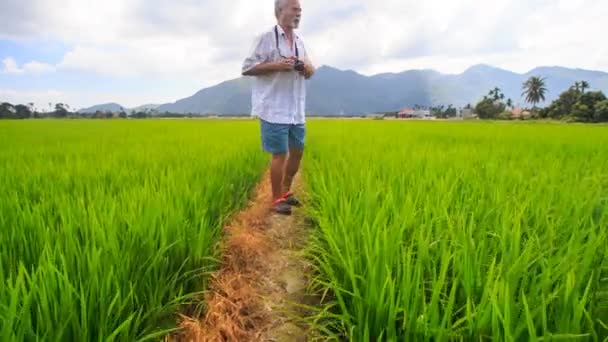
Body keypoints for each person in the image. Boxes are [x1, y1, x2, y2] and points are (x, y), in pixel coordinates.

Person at [241, 0, 315, 215]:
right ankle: (276, 200)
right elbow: (247, 68)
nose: (299, 13)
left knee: (297, 152)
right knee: (279, 155)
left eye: (300, 10)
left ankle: (285, 191)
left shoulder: (300, 42)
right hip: (273, 108)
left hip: (295, 109)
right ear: (280, 11)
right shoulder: (265, 38)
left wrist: (306, 68)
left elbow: (310, 71)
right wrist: (277, 65)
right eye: (295, 9)